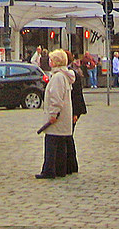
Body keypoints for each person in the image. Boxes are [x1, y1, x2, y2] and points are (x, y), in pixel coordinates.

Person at [35, 49, 73, 179]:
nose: (49, 62)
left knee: (51, 144)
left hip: (58, 117)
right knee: (61, 144)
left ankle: (49, 170)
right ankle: (60, 170)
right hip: (63, 117)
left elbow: (56, 98)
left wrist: (53, 114)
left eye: (51, 60)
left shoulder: (58, 77)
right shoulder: (64, 76)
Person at [64, 52, 86, 175]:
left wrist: (75, 114)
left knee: (68, 137)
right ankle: (70, 165)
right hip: (71, 110)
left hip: (73, 110)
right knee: (68, 137)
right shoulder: (67, 73)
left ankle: (71, 165)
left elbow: (77, 95)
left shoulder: (72, 75)